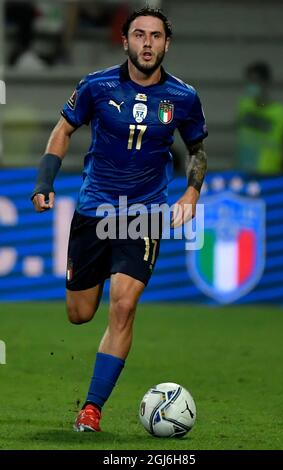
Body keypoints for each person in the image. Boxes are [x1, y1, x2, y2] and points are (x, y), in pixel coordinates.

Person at [31, 7, 208, 432]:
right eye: (139, 35)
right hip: (95, 210)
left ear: (167, 44)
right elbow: (62, 130)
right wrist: (44, 181)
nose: (147, 43)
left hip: (144, 213)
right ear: (125, 41)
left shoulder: (183, 97)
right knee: (79, 313)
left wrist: (191, 191)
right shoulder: (95, 86)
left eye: (156, 36)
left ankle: (91, 409)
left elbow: (198, 150)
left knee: (124, 306)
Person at [236, 61, 283, 173]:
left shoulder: (282, 116)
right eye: (249, 81)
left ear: (266, 82)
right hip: (243, 171)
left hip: (269, 174)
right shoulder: (243, 107)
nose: (252, 86)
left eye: (255, 81)